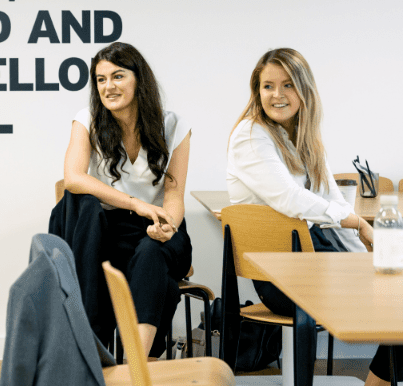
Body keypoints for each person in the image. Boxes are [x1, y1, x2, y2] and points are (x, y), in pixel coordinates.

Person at [227, 47, 399, 386]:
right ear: (257, 91)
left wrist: (365, 259)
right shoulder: (250, 135)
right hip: (281, 276)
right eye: (267, 86)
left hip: (313, 263)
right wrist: (360, 225)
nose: (277, 94)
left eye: (288, 84)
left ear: (305, 90)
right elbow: (291, 199)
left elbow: (334, 202)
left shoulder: (304, 139)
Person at [51, 42, 192, 359]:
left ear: (139, 79)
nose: (108, 86)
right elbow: (73, 178)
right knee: (163, 282)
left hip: (157, 226)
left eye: (117, 76)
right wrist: (135, 204)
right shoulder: (87, 119)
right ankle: (141, 366)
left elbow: (174, 194)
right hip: (107, 232)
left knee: (153, 249)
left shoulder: (174, 126)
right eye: (100, 79)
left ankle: (128, 366)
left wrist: (168, 225)